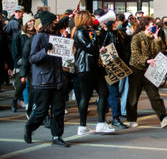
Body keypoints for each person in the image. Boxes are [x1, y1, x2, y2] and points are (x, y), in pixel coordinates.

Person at [24, 11, 69, 147]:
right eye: (52, 23)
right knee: (41, 111)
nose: (54, 25)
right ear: (47, 24)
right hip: (43, 80)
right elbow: (32, 58)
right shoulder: (39, 38)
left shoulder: (55, 36)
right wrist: (45, 50)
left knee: (58, 110)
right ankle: (30, 127)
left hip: (57, 80)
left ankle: (57, 136)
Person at [72, 11, 114, 135]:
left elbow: (96, 44)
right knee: (86, 96)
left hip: (94, 67)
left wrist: (101, 33)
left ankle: (100, 123)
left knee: (104, 93)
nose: (92, 19)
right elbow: (89, 47)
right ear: (84, 19)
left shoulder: (88, 31)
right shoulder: (79, 32)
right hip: (85, 68)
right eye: (89, 17)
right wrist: (96, 34)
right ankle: (82, 126)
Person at [127, 16, 167, 128]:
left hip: (150, 70)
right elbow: (135, 54)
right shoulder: (137, 37)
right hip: (137, 69)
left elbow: (160, 50)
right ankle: (131, 118)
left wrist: (157, 38)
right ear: (145, 25)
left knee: (154, 94)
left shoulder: (153, 37)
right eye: (152, 24)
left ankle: (163, 117)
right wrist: (146, 60)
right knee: (133, 95)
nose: (154, 26)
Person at [100, 20, 129, 129]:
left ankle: (108, 117)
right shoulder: (106, 34)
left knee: (111, 92)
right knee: (113, 92)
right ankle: (114, 118)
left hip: (114, 64)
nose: (116, 26)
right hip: (108, 66)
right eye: (113, 25)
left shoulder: (118, 35)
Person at [11, 13, 35, 114]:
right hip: (22, 65)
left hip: (33, 64)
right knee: (21, 85)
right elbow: (15, 53)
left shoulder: (36, 34)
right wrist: (22, 64)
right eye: (29, 21)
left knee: (31, 86)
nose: (32, 23)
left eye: (33, 21)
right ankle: (15, 99)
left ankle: (29, 106)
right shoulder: (18, 36)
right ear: (25, 23)